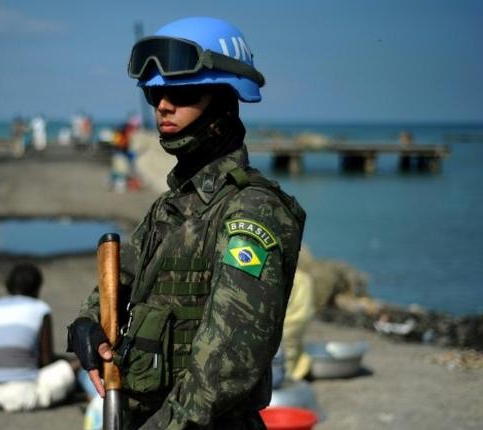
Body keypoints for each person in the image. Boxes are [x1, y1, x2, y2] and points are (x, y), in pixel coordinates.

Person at [67, 17, 306, 428]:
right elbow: (120, 282)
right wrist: (88, 324)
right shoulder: (172, 207)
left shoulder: (250, 210)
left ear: (225, 100)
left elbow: (228, 362)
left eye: (182, 92)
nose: (163, 104)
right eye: (155, 92)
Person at [0, 263, 91, 411]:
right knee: (84, 359)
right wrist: (65, 361)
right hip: (21, 394)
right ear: (37, 288)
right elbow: (46, 360)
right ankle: (78, 392)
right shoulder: (40, 309)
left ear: (8, 285)